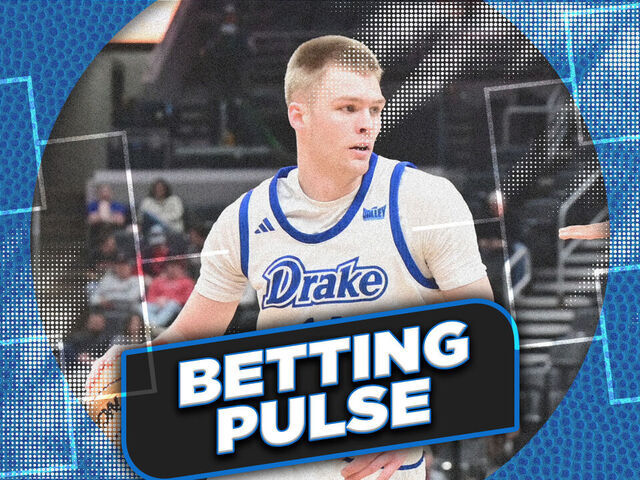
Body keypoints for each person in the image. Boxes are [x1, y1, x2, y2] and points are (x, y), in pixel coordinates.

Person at [90, 35, 492, 480]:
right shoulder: (245, 218)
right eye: (347, 108)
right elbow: (191, 333)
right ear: (298, 115)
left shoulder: (425, 201)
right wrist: (134, 363)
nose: (367, 124)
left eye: (374, 109)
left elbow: (484, 345)